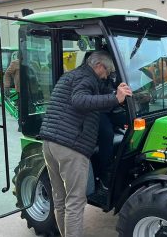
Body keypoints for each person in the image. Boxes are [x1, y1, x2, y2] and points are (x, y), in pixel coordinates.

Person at [39, 51, 132, 237]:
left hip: (50, 144)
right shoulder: (86, 79)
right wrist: (115, 98)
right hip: (69, 147)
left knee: (60, 198)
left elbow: (94, 104)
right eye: (108, 71)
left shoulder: (72, 76)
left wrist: (117, 97)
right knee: (75, 201)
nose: (107, 75)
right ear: (99, 66)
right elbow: (79, 100)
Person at [3, 57, 21, 131]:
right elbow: (7, 74)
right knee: (22, 109)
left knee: (32, 108)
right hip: (21, 90)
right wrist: (7, 86)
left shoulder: (32, 61)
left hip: (33, 89)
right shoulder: (15, 63)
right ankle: (21, 125)